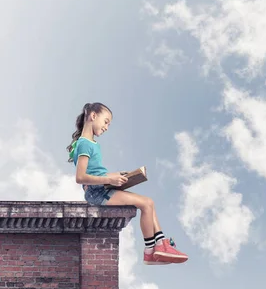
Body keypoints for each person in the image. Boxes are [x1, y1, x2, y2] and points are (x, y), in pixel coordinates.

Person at [66, 102, 188, 265]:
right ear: (93, 116)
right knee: (146, 204)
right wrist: (109, 180)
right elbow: (80, 177)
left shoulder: (90, 143)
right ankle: (153, 250)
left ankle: (157, 246)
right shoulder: (84, 143)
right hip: (97, 192)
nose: (107, 127)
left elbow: (93, 172)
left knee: (149, 203)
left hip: (102, 187)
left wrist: (114, 175)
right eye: (106, 121)